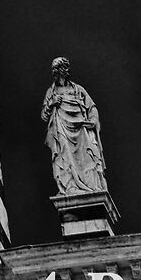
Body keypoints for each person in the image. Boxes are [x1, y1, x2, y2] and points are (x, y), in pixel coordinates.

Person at [42, 56, 108, 197]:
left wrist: (94, 119)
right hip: (62, 128)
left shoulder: (78, 89)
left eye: (66, 67)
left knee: (89, 156)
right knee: (65, 157)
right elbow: (44, 116)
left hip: (82, 127)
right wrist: (52, 103)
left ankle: (92, 186)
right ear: (56, 71)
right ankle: (70, 186)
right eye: (63, 67)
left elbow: (92, 107)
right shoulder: (51, 92)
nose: (66, 70)